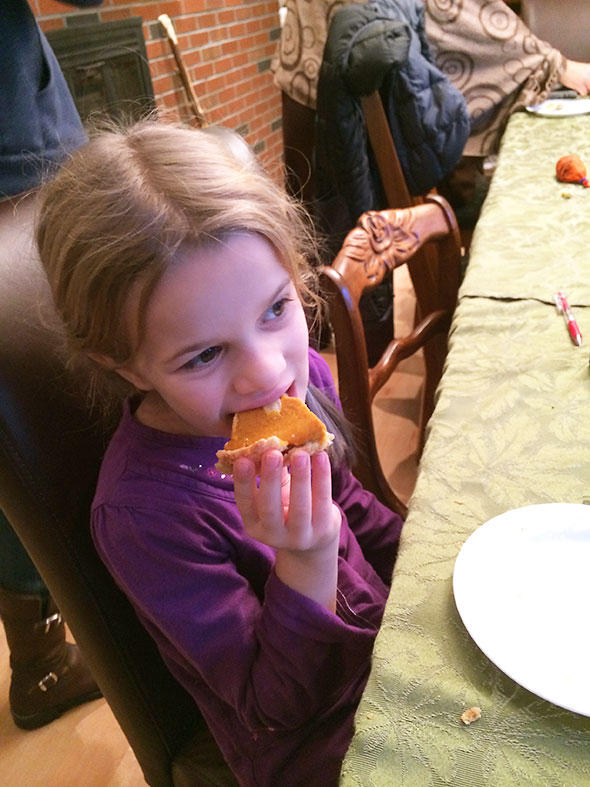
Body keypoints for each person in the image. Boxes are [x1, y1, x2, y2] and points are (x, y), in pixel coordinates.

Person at [34, 120, 404, 786]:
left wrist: (429, 571)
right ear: (125, 365)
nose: (268, 373)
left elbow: (352, 504)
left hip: (390, 653)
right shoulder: (143, 516)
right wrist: (306, 559)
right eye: (204, 354)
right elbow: (275, 711)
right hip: (315, 744)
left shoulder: (303, 384)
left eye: (276, 309)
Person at [0, 0, 102, 730]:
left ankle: (40, 652)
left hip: (19, 133)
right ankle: (42, 658)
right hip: (11, 143)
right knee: (27, 416)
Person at [273, 0, 590, 207]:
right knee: (332, 229)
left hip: (313, 83)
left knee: (326, 233)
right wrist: (552, 63)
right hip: (331, 101)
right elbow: (460, 13)